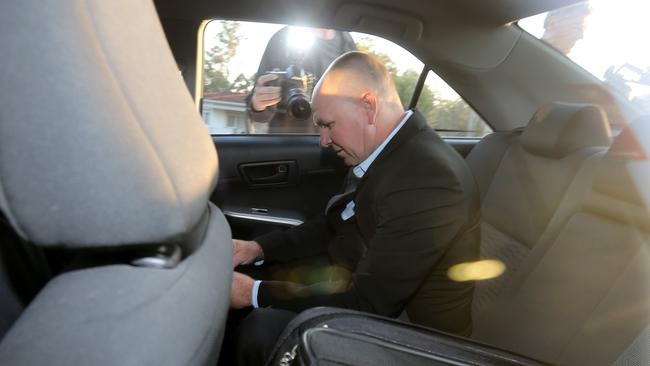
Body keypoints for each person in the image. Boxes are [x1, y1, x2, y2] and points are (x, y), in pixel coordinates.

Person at [230, 51, 480, 365]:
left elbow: (368, 303)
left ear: (368, 106)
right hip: (364, 289)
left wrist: (253, 293)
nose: (323, 140)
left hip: (417, 341)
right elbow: (333, 224)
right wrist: (256, 248)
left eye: (328, 125)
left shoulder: (430, 180)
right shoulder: (379, 151)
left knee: (263, 329)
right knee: (261, 257)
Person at [247, 27, 356, 133]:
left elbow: (355, 103)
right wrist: (259, 104)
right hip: (289, 144)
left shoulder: (347, 43)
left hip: (336, 144)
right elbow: (257, 112)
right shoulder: (283, 38)